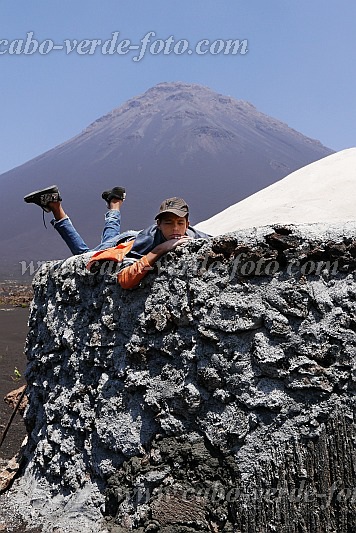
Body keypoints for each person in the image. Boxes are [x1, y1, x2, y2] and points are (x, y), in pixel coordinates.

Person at [24, 185, 211, 289]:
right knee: (84, 256)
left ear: (188, 224)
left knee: (103, 243)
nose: (175, 229)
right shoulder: (149, 239)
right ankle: (56, 206)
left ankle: (115, 203)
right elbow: (125, 279)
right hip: (127, 243)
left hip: (130, 237)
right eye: (168, 223)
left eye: (180, 223)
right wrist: (160, 249)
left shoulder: (196, 237)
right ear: (158, 225)